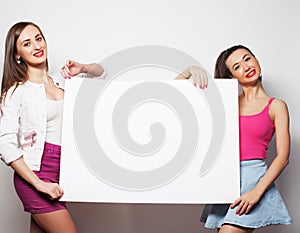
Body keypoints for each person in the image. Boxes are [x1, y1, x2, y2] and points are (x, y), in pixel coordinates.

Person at [0, 21, 105, 233]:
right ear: (17, 54)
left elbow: (101, 74)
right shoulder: (15, 92)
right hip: (35, 173)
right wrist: (38, 184)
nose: (37, 46)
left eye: (38, 39)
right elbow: (5, 144)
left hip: (64, 171)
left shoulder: (64, 81)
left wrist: (82, 68)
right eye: (27, 43)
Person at [197, 45, 292, 232]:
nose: (246, 66)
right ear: (232, 77)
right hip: (226, 179)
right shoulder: (227, 102)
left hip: (254, 179)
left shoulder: (276, 106)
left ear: (256, 59)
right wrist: (188, 72)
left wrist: (257, 192)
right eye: (237, 66)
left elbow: (283, 157)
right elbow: (183, 104)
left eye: (247, 59)